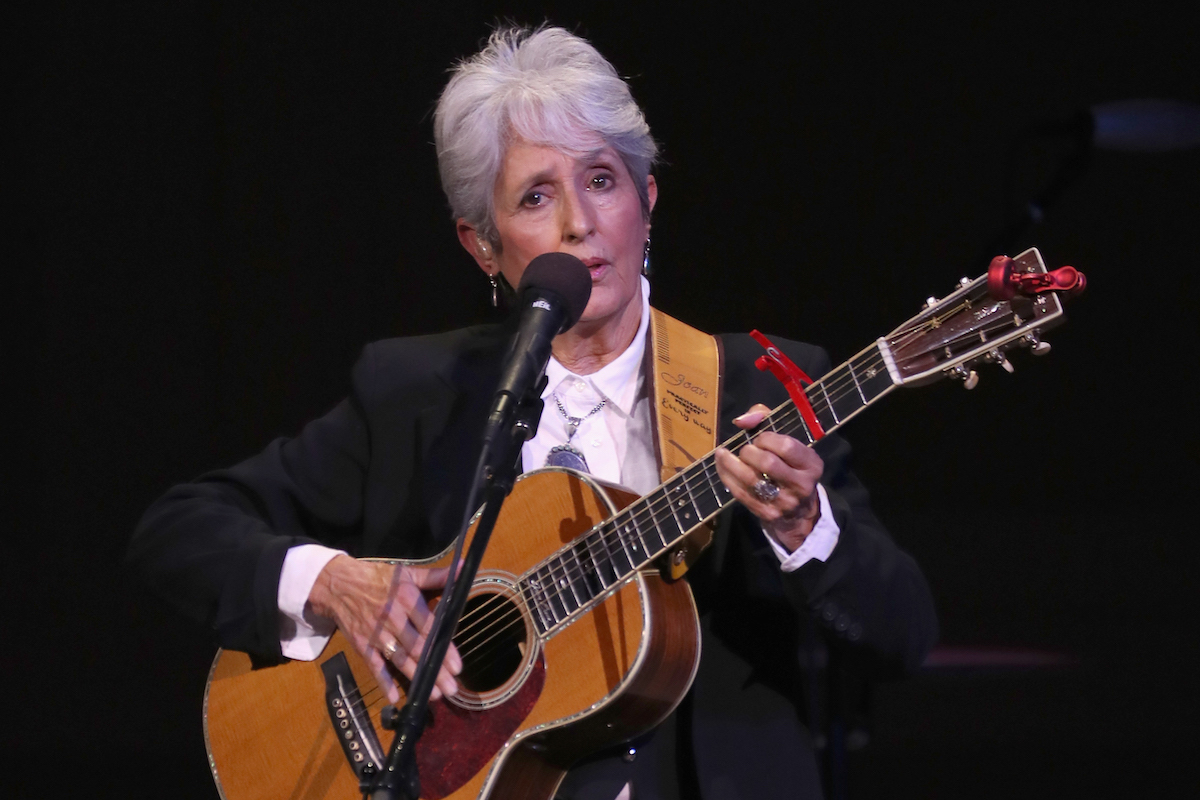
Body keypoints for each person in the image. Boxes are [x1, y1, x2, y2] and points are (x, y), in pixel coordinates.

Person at [129, 25, 937, 800]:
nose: (580, 224)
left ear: (647, 197)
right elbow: (179, 529)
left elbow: (902, 636)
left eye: (601, 180)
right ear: (481, 245)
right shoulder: (418, 392)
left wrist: (806, 530)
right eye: (536, 196)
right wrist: (338, 584)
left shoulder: (754, 387)